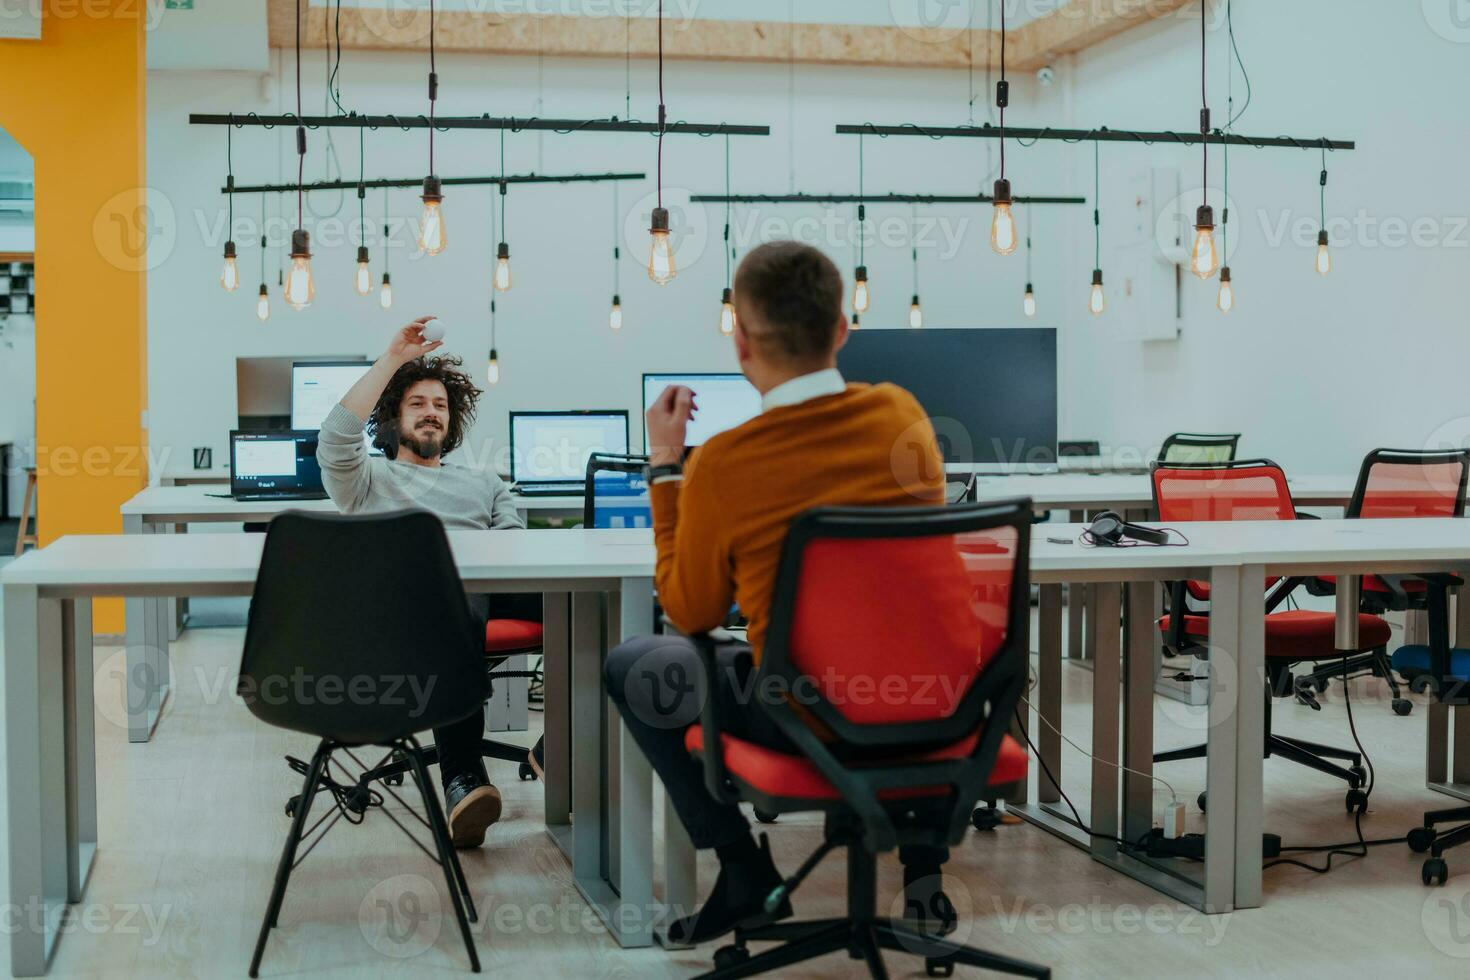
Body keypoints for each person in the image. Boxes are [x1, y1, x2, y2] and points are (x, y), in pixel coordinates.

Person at [603, 241, 951, 946]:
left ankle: (742, 870)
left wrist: (667, 467)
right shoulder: (902, 416)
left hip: (809, 717)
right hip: (937, 707)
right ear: (843, 329)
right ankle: (923, 879)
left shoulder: (726, 462)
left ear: (740, 340)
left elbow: (691, 612)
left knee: (634, 664)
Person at [317, 317, 533, 849]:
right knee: (447, 594)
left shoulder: (486, 483)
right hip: (409, 608)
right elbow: (336, 437)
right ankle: (463, 774)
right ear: (392, 416)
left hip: (481, 592)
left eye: (440, 403)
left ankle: (561, 750)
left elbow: (516, 555)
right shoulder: (368, 480)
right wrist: (392, 360)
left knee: (600, 595)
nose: (432, 411)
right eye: (417, 403)